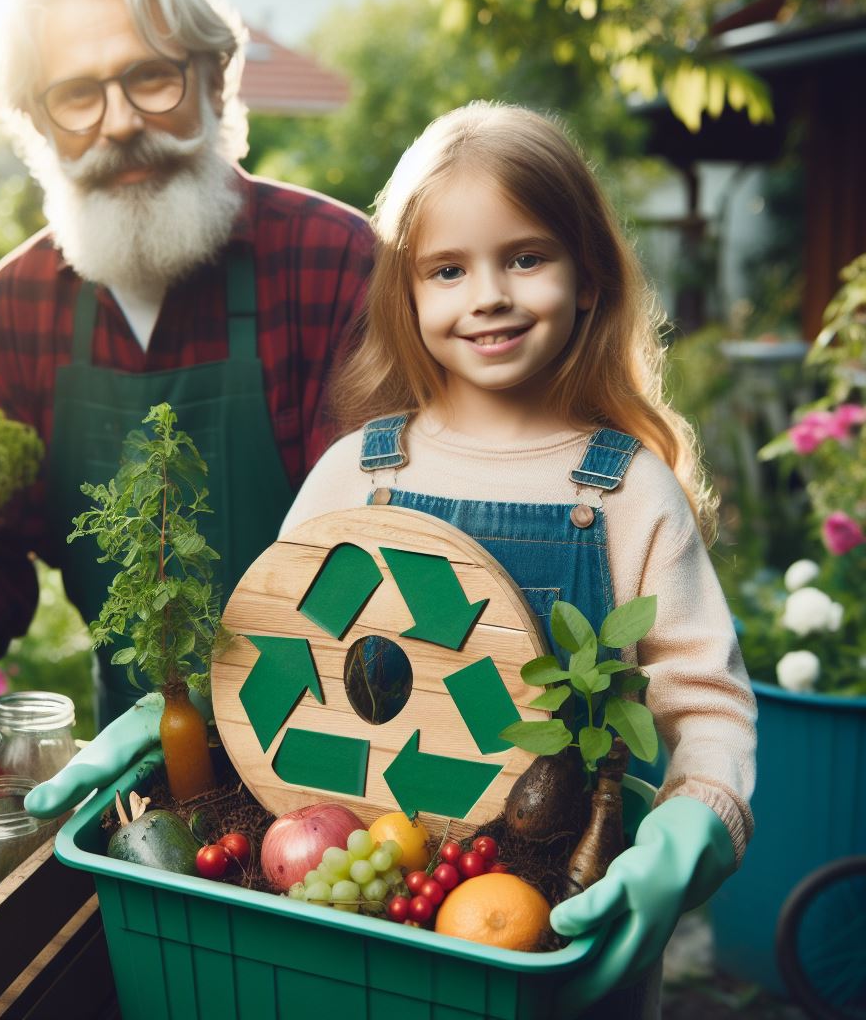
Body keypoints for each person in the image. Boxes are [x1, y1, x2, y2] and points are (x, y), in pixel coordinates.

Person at [272, 102, 756, 1016]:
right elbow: (277, 649)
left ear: (588, 278)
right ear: (406, 296)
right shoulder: (358, 476)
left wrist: (695, 823)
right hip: (369, 914)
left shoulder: (624, 493)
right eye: (448, 269)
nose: (488, 294)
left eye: (525, 256)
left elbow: (706, 705)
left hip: (561, 928)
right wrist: (180, 717)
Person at [0, 0, 374, 744]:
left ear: (212, 80)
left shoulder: (335, 262)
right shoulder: (15, 309)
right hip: (133, 747)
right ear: (37, 123)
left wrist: (236, 708)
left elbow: (382, 534)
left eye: (151, 77)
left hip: (341, 736)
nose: (118, 123)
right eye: (77, 94)